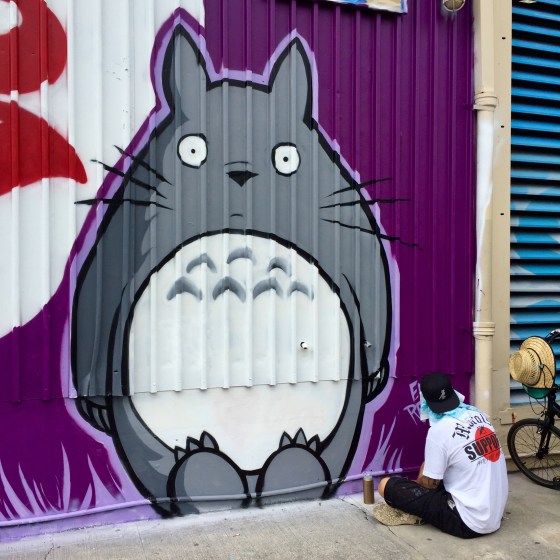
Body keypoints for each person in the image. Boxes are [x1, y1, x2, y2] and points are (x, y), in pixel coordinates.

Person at [375, 372, 508, 539]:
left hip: (468, 522)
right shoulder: (478, 415)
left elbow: (429, 485)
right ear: (453, 392)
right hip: (494, 514)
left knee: (386, 485)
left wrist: (415, 487)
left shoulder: (438, 431)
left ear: (426, 402)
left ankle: (418, 514)